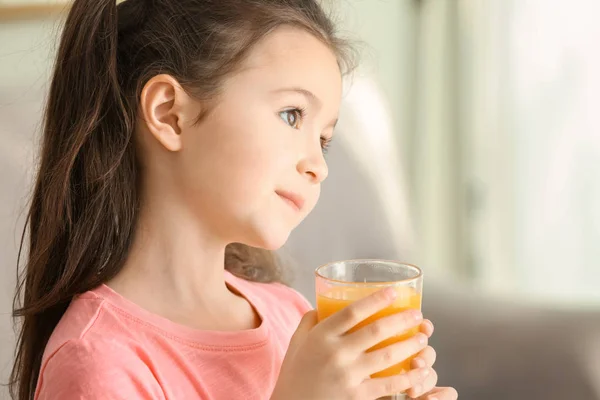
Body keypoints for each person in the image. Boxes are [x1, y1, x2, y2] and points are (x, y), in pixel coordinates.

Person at [10, 0, 458, 399]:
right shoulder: (98, 363)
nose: (318, 166)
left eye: (323, 139)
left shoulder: (291, 317)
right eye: (291, 115)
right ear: (170, 113)